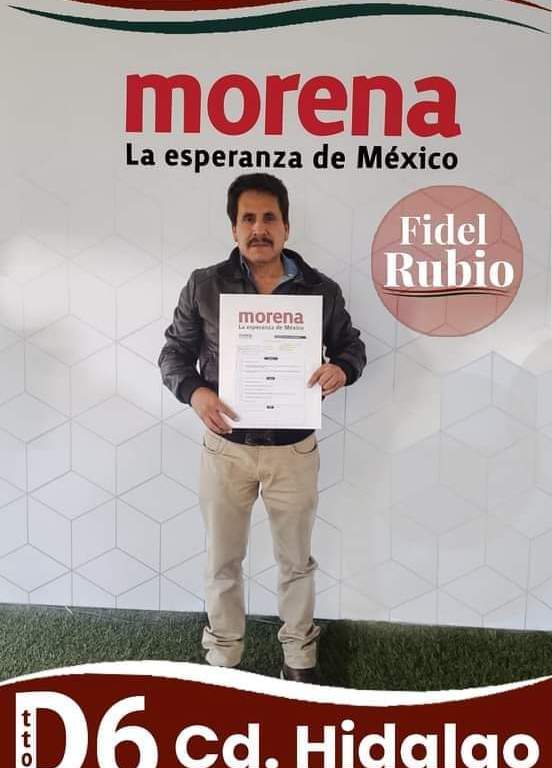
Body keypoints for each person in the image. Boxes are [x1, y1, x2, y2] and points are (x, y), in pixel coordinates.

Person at [159, 173, 366, 683]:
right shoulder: (205, 285)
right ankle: (224, 657)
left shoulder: (321, 290)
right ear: (234, 229)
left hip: (293, 451)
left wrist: (342, 369)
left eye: (269, 218)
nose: (259, 229)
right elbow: (174, 354)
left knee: (296, 561)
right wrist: (197, 393)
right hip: (225, 448)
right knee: (223, 560)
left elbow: (352, 347)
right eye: (247, 218)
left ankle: (299, 657)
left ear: (286, 227)